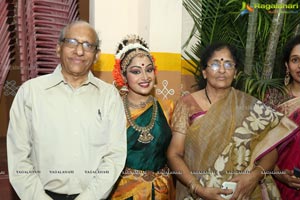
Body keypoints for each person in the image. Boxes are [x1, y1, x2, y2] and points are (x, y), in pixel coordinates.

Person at [6, 20, 127, 200]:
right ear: (58, 48)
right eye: (72, 42)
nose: (79, 51)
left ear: (96, 55)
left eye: (88, 45)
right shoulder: (30, 92)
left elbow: (114, 156)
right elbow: (19, 156)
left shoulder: (109, 96)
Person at [167, 42, 298, 200]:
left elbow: (271, 151)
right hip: (199, 192)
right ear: (204, 72)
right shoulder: (187, 104)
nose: (222, 70)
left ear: (235, 72)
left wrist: (254, 177)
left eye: (228, 64)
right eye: (215, 64)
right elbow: (174, 153)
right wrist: (198, 189)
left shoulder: (249, 105)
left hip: (243, 193)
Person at [109, 34, 175, 199]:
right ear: (123, 76)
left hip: (162, 191)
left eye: (149, 69)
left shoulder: (169, 108)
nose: (145, 77)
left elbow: (177, 153)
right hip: (124, 192)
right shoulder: (114, 110)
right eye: (136, 71)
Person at [264, 35, 300, 200]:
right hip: (277, 183)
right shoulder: (273, 98)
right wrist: (279, 174)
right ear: (287, 65)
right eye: (295, 60)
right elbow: (261, 144)